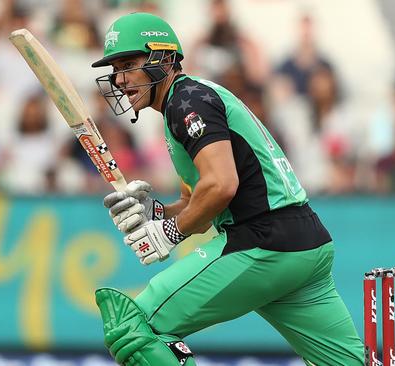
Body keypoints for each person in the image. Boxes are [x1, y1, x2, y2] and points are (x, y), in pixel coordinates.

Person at [91, 12, 364, 365]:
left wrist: (168, 234)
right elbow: (200, 206)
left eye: (129, 64)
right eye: (115, 69)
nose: (121, 79)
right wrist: (157, 213)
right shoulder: (191, 99)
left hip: (262, 242)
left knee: (133, 325)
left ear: (163, 58)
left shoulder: (186, 101)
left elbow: (222, 185)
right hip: (305, 243)